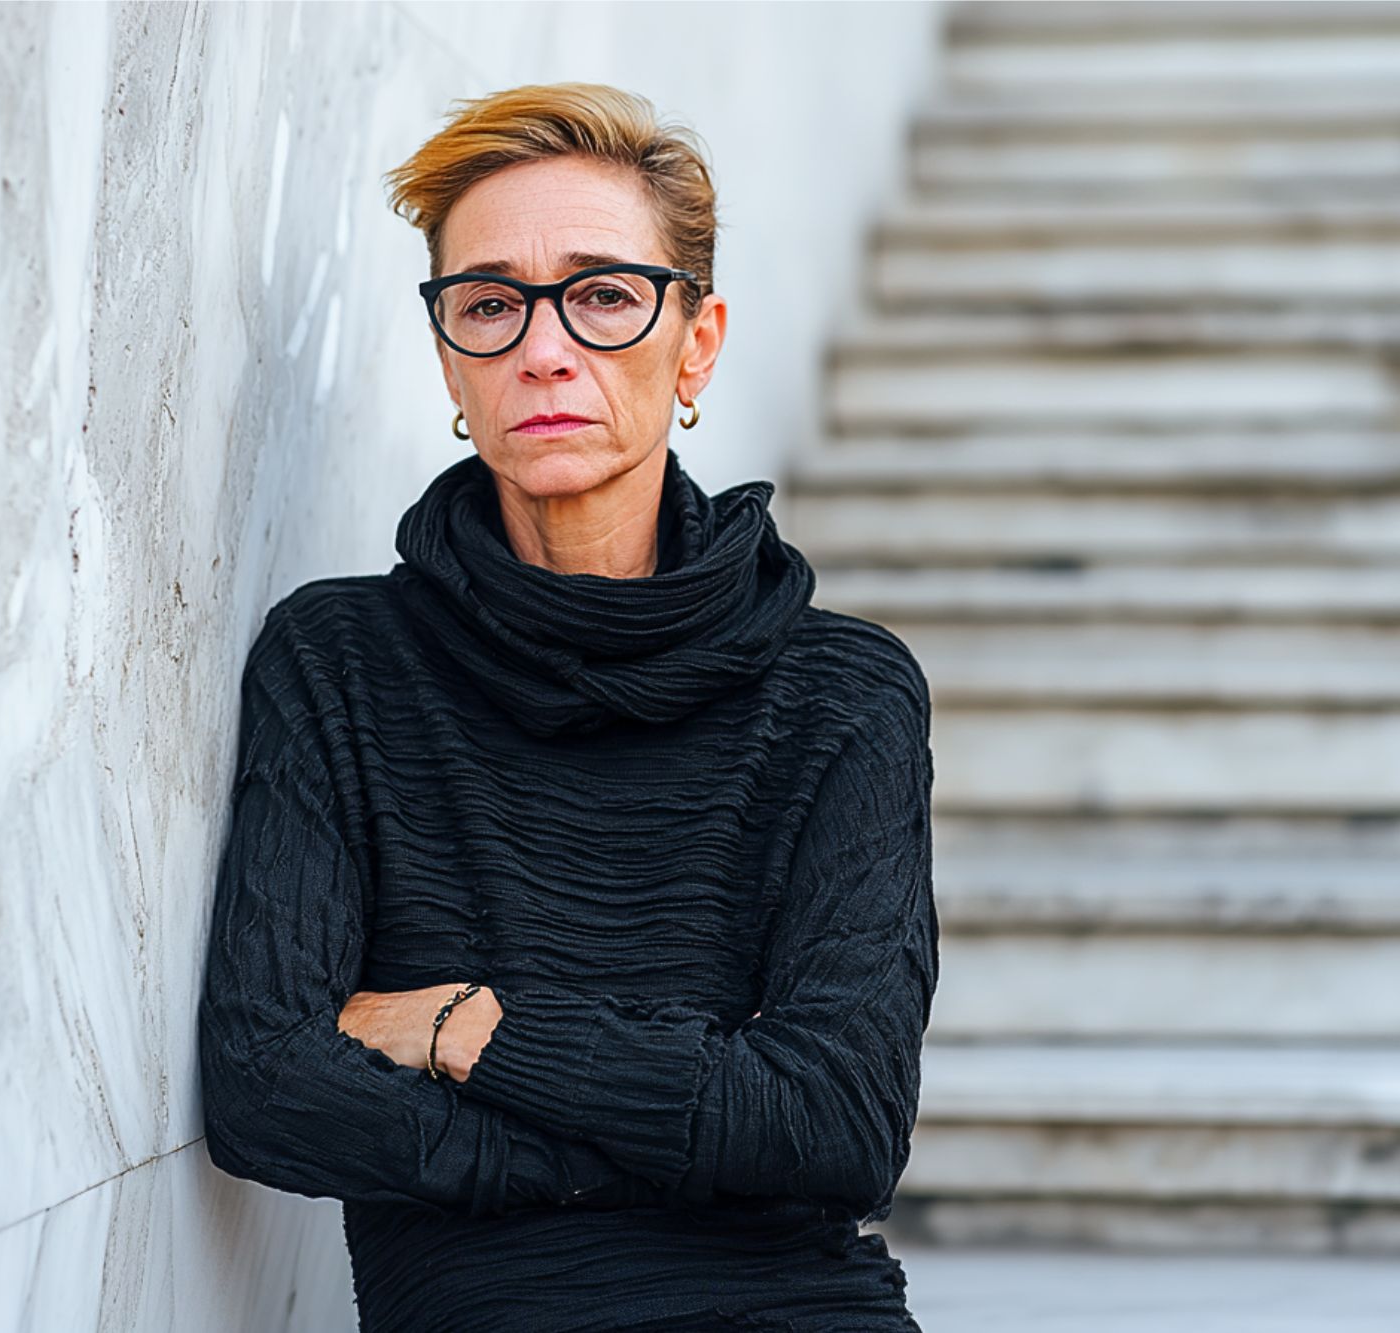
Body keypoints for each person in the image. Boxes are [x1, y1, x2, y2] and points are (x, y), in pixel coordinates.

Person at [197, 81, 938, 1332]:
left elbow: (839, 1125)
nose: (543, 350)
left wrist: (469, 1027)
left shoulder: (841, 694)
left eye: (601, 296)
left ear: (693, 341)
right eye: (489, 303)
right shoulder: (341, 663)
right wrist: (665, 1139)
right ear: (449, 355)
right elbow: (267, 1084)